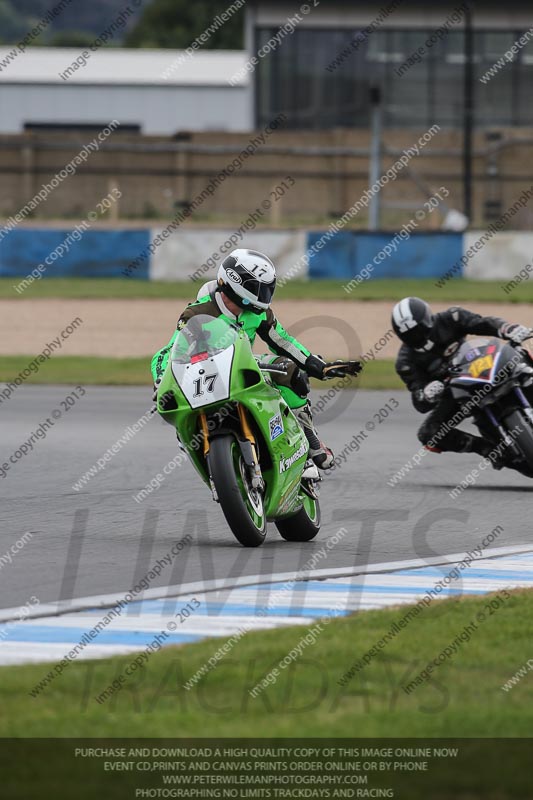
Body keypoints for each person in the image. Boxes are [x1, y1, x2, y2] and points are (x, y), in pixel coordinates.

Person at [152, 249, 360, 469]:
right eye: (257, 288)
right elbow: (168, 352)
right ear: (236, 283)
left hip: (242, 366)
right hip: (205, 375)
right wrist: (162, 379)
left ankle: (310, 437)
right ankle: (191, 438)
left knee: (289, 371)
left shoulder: (258, 313)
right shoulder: (197, 313)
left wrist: (317, 366)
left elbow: (283, 342)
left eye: (267, 289)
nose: (264, 295)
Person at [391, 296, 533, 465]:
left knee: (520, 354)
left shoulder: (452, 317)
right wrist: (426, 394)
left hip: (481, 363)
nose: (417, 336)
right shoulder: (405, 362)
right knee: (428, 433)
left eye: (418, 329)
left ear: (427, 319)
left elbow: (483, 323)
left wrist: (507, 328)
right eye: (410, 335)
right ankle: (486, 448)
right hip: (457, 391)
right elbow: (419, 400)